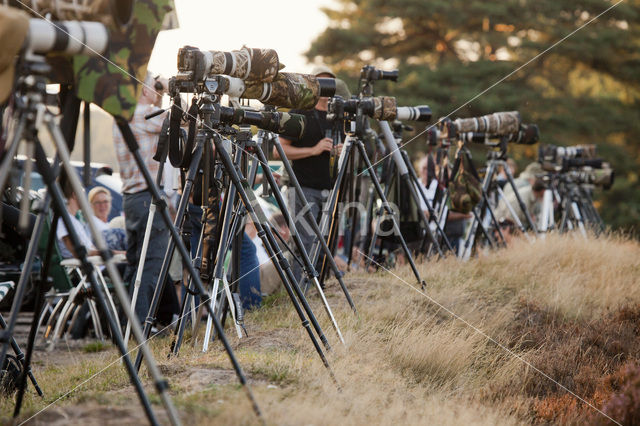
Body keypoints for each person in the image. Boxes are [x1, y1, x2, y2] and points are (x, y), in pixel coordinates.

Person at [112, 72, 177, 324]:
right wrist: (171, 89)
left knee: (134, 264)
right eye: (153, 85)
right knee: (152, 264)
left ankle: (122, 326)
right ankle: (137, 326)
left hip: (130, 198)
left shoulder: (124, 116)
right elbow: (180, 122)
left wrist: (157, 91)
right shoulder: (145, 114)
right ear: (143, 90)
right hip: (148, 196)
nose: (156, 88)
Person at [275, 64, 345, 287]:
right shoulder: (299, 113)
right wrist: (313, 150)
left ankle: (319, 288)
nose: (325, 89)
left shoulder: (340, 115)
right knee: (305, 243)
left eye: (329, 83)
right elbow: (279, 150)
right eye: (320, 82)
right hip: (302, 187)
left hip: (332, 188)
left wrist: (342, 151)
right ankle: (299, 292)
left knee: (328, 242)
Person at [88, 186, 126, 251]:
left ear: (110, 203)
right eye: (97, 202)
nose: (102, 205)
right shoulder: (91, 225)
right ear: (91, 205)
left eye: (105, 201)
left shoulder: (109, 224)